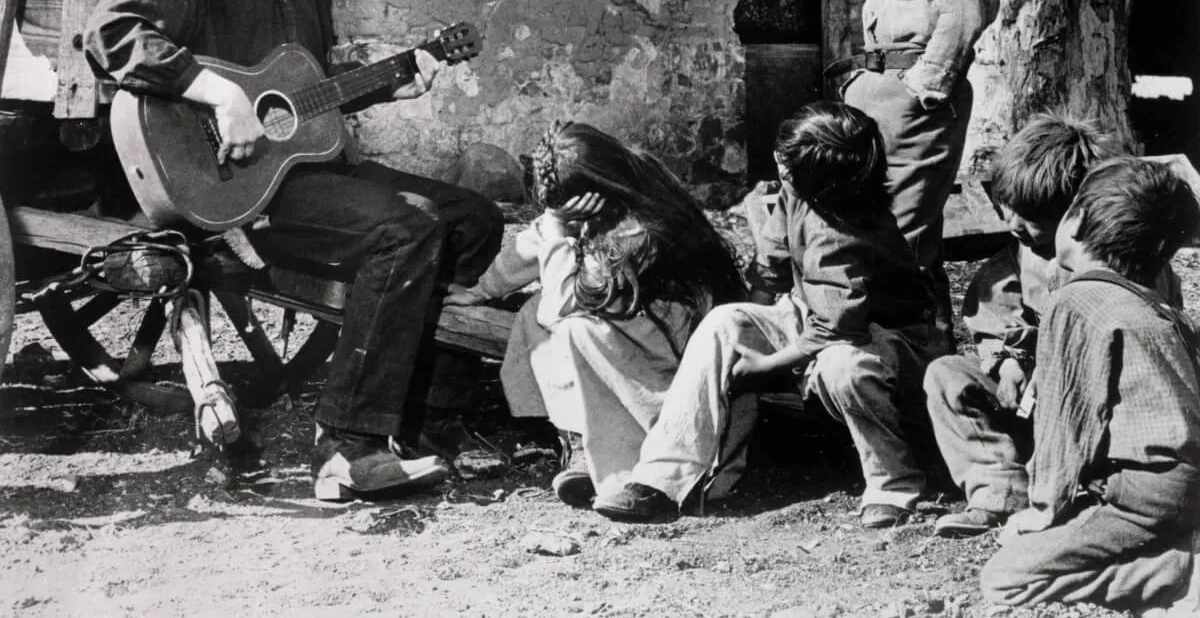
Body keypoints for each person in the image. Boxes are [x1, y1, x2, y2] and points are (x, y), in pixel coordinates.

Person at [84, 0, 504, 501]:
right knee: (405, 231)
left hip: (311, 175)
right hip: (239, 197)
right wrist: (218, 95)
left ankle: (419, 417)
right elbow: (110, 34)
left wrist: (395, 79)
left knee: (473, 220)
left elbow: (304, 94)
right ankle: (347, 445)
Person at [594, 102, 946, 527]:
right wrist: (743, 333)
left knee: (843, 370)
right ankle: (663, 479)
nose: (778, 162)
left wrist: (766, 364)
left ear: (817, 177)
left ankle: (892, 482)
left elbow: (838, 328)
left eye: (787, 163)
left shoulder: (843, 233)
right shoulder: (799, 196)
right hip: (818, 316)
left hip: (887, 338)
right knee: (726, 323)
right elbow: (772, 272)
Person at [446, 120, 746, 507]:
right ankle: (577, 438)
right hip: (625, 309)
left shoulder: (637, 230)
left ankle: (619, 459)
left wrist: (559, 232)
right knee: (533, 313)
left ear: (596, 195)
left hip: (666, 336)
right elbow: (534, 243)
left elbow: (560, 306)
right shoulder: (602, 201)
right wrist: (479, 290)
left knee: (571, 330)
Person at [925, 112, 1183, 538]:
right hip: (1032, 396)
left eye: (1028, 217)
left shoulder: (1127, 260)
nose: (1013, 225)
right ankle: (998, 489)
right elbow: (999, 310)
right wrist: (1005, 360)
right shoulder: (1024, 251)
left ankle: (1069, 490)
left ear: (1076, 213)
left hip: (1091, 405)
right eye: (1006, 210)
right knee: (948, 376)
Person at [980, 156, 1200, 611]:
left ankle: (1177, 572)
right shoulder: (1152, 304)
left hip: (1150, 494)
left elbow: (1067, 420)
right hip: (1184, 485)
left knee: (1006, 578)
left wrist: (1043, 510)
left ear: (1075, 220)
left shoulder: (1077, 301)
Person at [826, 0, 1000, 338]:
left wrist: (921, 91)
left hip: (914, 95)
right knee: (875, 229)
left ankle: (916, 358)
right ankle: (905, 348)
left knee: (901, 237)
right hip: (883, 88)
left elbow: (964, 9)